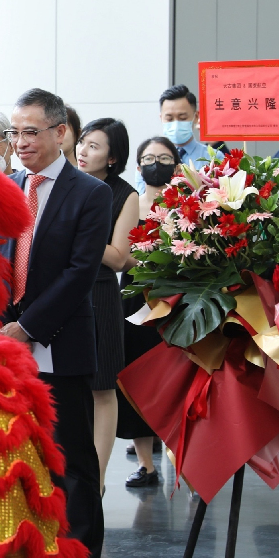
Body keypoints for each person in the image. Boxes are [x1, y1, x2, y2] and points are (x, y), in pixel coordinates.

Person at [0, 88, 110, 558]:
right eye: (14, 133)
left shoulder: (90, 193)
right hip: (6, 343)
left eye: (31, 132)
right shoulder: (6, 188)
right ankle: (30, 555)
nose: (20, 142)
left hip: (58, 342)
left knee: (72, 460)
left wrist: (29, 328)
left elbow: (80, 273)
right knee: (19, 457)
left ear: (60, 132)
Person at [75, 119, 140, 495]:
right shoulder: (69, 183)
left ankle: (97, 480)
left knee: (103, 388)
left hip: (100, 294)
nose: (83, 151)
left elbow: (117, 258)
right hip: (65, 291)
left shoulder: (124, 195)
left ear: (112, 158)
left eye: (94, 146)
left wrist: (75, 235)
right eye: (83, 142)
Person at [117, 136, 180, 486]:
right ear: (139, 167)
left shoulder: (187, 207)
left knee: (176, 377)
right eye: (150, 158)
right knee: (138, 376)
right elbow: (120, 253)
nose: (157, 164)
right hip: (135, 297)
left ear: (177, 166)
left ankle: (183, 461)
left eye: (165, 158)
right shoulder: (131, 205)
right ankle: (146, 464)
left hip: (177, 299)